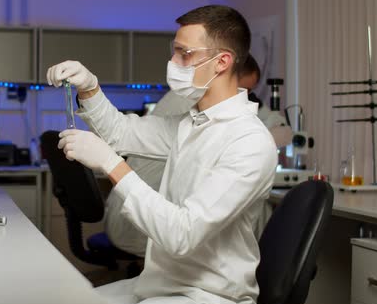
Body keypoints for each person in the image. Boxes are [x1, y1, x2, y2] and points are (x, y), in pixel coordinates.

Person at [47, 5, 277, 304]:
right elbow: (120, 132)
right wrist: (90, 87)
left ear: (221, 61)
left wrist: (112, 164)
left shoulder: (248, 142)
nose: (174, 63)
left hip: (209, 300)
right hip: (158, 286)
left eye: (185, 54)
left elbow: (182, 235)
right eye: (174, 52)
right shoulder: (191, 123)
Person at [103, 54, 288, 258]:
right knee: (256, 217)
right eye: (243, 89)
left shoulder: (193, 100)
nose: (245, 97)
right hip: (142, 225)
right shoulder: (199, 109)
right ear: (226, 73)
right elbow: (183, 233)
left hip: (131, 214)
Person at [240, 54, 293, 147]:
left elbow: (284, 131)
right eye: (242, 89)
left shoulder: (251, 101)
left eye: (249, 90)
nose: (245, 95)